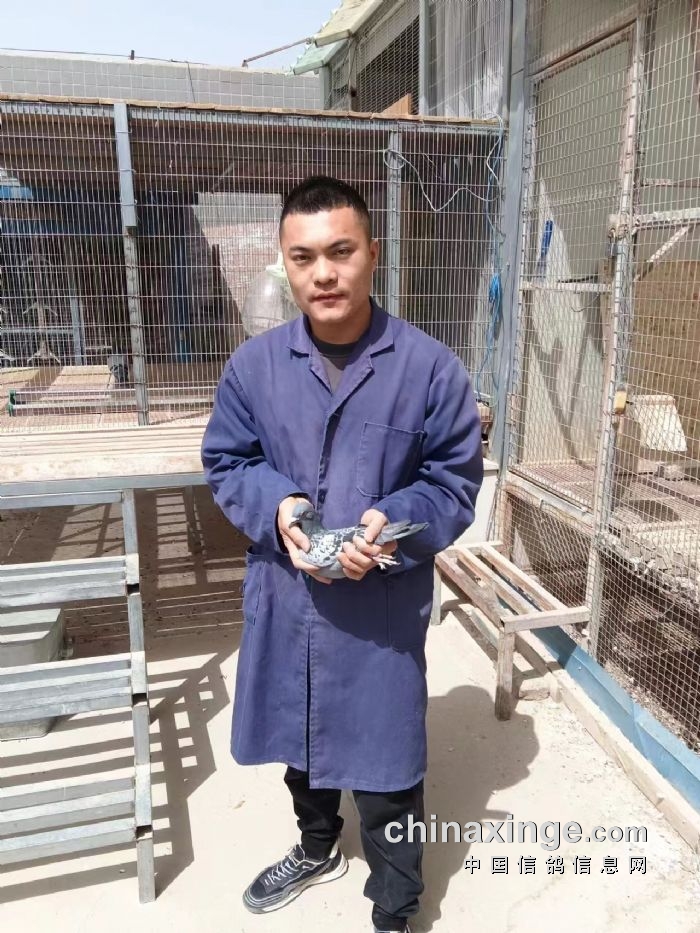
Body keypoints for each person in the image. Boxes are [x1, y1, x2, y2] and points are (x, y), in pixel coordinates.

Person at [201, 176, 483, 933]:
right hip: (288, 596)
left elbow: (453, 481)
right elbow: (229, 461)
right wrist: (281, 506)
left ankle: (395, 906)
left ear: (372, 254)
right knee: (299, 741)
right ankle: (317, 845)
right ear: (284, 264)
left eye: (341, 251)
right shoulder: (255, 367)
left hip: (377, 609)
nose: (323, 273)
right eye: (304, 257)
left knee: (388, 767)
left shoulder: (429, 369)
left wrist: (391, 526)